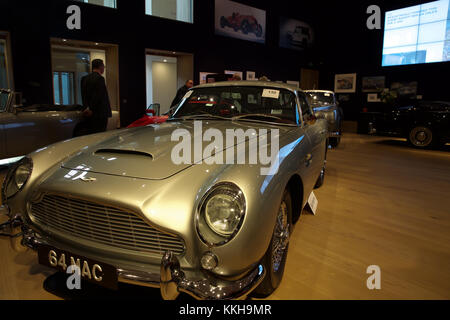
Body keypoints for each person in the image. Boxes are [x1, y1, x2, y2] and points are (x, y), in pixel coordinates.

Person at [80, 59, 112, 134]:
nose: (103, 68)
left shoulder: (84, 78)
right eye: (103, 66)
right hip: (99, 113)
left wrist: (86, 108)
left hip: (87, 113)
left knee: (90, 134)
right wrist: (91, 109)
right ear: (101, 66)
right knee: (100, 134)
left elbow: (83, 95)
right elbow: (98, 96)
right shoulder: (100, 78)